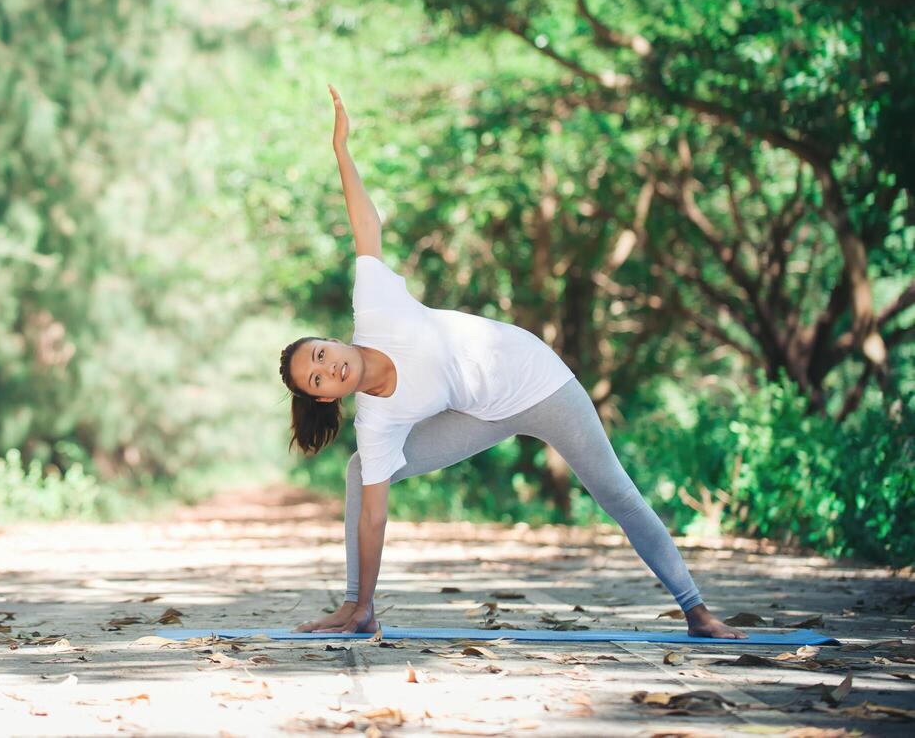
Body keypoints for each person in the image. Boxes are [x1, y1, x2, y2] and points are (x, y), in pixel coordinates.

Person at [280, 85, 747, 639]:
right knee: (363, 471)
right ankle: (359, 609)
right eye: (315, 380)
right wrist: (362, 601)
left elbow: (366, 226)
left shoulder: (375, 305)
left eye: (319, 354)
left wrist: (342, 152)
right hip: (482, 411)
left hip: (537, 380)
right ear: (326, 398)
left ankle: (697, 611)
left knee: (614, 491)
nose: (326, 368)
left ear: (331, 342)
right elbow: (373, 517)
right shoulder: (377, 421)